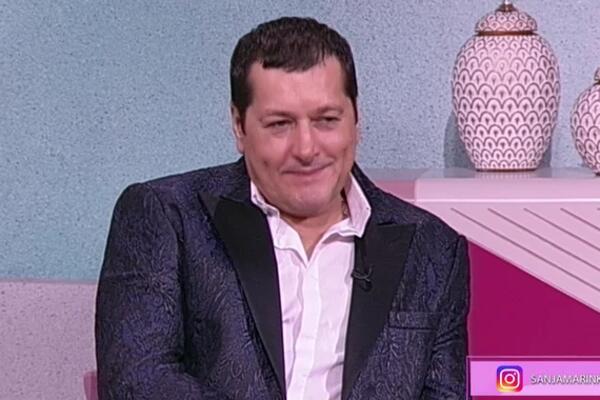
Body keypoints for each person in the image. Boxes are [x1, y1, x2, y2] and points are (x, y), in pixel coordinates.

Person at [95, 16, 469, 400]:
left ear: (356, 119)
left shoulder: (433, 249)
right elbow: (136, 381)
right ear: (239, 126)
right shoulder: (167, 216)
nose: (306, 149)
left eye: (326, 120)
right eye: (280, 124)